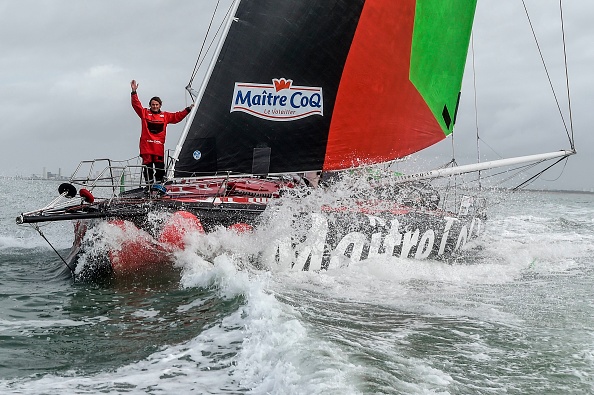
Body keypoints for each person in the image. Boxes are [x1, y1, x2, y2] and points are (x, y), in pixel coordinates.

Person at [130, 80, 193, 184]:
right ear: (150, 105)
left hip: (158, 148)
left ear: (160, 105)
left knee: (160, 169)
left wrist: (188, 109)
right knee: (148, 169)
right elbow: (136, 105)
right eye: (153, 104)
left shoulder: (166, 116)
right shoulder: (144, 113)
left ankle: (159, 186)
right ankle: (149, 187)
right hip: (146, 148)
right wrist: (133, 92)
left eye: (157, 104)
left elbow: (177, 117)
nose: (155, 106)